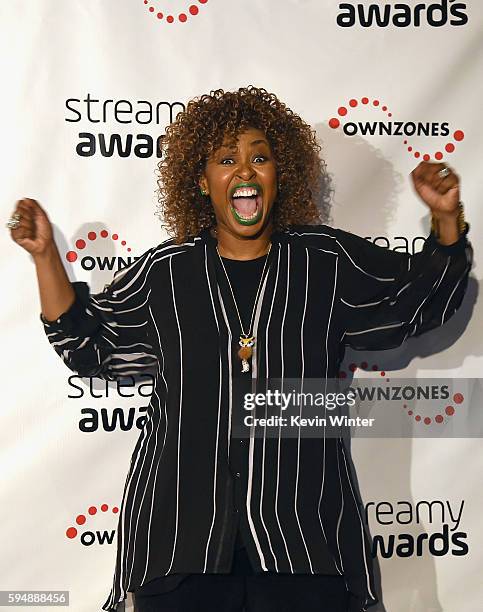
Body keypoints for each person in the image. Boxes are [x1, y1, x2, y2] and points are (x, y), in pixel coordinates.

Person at [8, 86, 472, 612]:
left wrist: (446, 222)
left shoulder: (325, 263)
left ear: (282, 174)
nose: (245, 171)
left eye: (260, 157)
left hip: (304, 543)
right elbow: (86, 342)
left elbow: (421, 301)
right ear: (202, 183)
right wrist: (46, 257)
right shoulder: (168, 273)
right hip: (184, 546)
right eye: (227, 160)